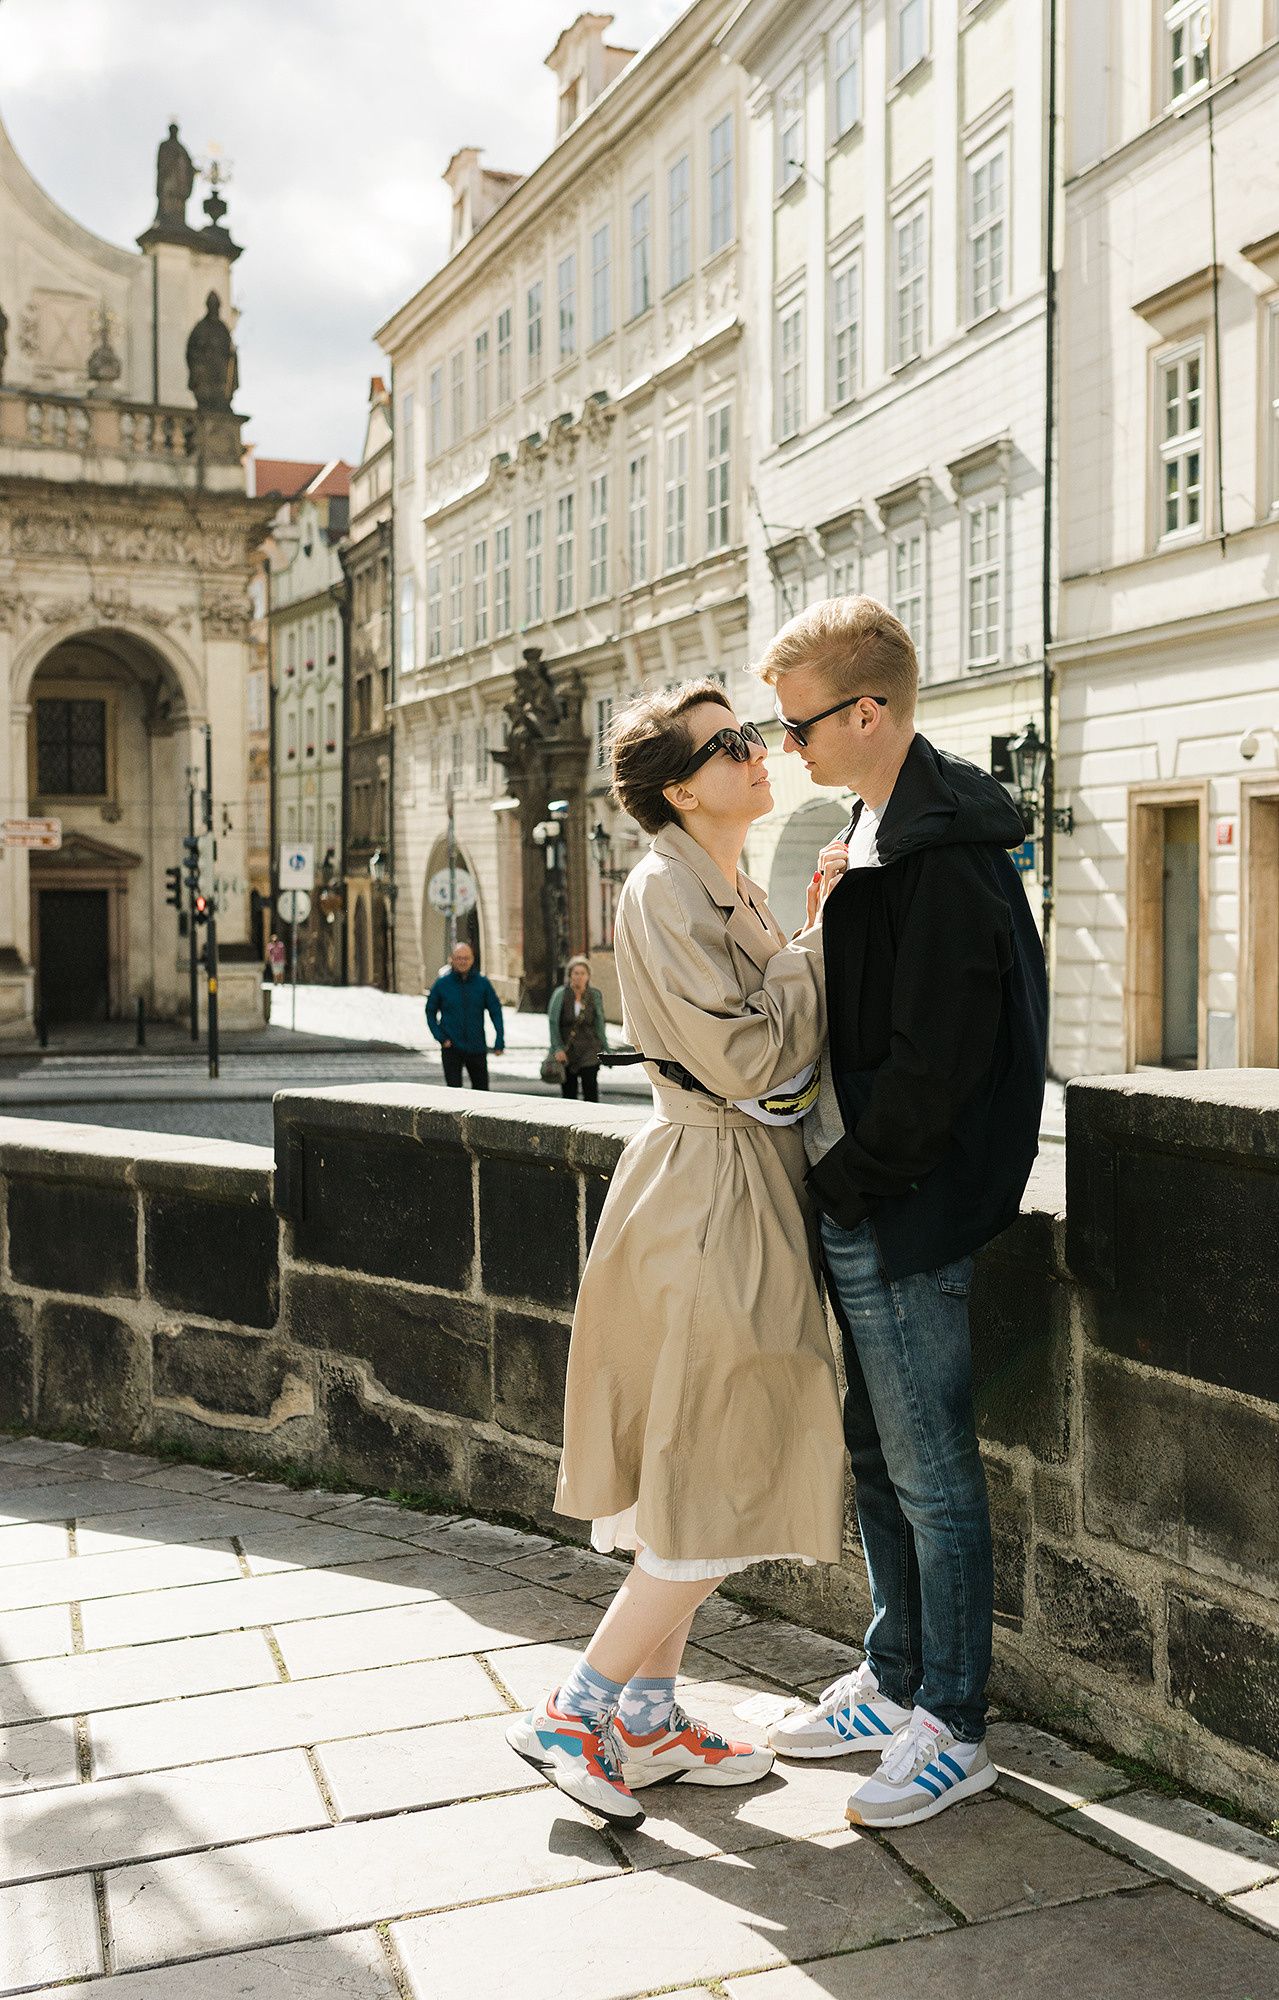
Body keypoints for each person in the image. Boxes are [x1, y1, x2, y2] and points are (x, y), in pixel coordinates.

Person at [506, 679, 846, 1830]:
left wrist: (798, 934)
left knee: (698, 1465)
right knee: (725, 1467)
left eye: (749, 735)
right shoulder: (663, 886)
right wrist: (820, 946)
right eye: (730, 744)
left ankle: (647, 1716)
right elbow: (751, 1058)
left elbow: (762, 1037)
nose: (758, 752)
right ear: (676, 787)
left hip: (722, 1185)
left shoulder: (718, 878)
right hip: (711, 1192)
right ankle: (582, 1702)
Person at [755, 595, 1048, 1829]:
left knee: (932, 1473)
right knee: (876, 1455)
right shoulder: (880, 827)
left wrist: (849, 1181)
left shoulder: (942, 852)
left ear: (867, 711)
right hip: (869, 1201)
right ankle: (892, 1673)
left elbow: (938, 1066)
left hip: (906, 1211)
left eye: (800, 724)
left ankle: (956, 1720)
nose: (787, 750)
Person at [426, 941, 504, 1089]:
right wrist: (441, 1037)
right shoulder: (442, 984)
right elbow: (430, 1011)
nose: (462, 962)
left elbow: (495, 1010)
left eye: (466, 958)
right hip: (451, 1047)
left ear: (472, 959)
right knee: (454, 1092)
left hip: (477, 1047)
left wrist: (499, 1038)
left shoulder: (482, 984)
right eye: (459, 958)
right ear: (452, 960)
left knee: (482, 1091)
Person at [548, 956, 609, 1101]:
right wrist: (557, 1048)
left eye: (583, 973)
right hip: (568, 1051)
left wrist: (605, 1047)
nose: (579, 977)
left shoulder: (594, 995)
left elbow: (599, 1022)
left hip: (590, 1050)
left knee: (591, 1091)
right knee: (569, 1094)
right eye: (576, 973)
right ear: (569, 976)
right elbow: (553, 1022)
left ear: (588, 976)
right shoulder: (560, 995)